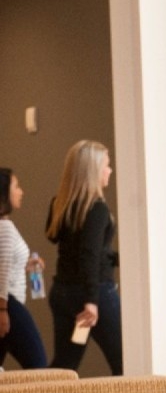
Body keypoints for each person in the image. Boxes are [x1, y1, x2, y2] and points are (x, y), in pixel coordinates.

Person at [45, 140, 122, 375]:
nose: (110, 171)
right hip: (94, 293)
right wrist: (91, 300)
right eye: (106, 166)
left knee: (64, 366)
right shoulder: (97, 208)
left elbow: (68, 244)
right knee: (124, 360)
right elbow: (88, 255)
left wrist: (114, 258)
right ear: (93, 170)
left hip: (63, 294)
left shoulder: (60, 205)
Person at [0, 168, 48, 369]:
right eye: (16, 187)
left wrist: (26, 266)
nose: (21, 192)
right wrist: (2, 310)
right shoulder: (5, 228)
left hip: (7, 302)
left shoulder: (5, 225)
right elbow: (1, 272)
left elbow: (6, 264)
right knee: (38, 364)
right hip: (8, 303)